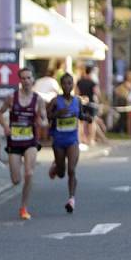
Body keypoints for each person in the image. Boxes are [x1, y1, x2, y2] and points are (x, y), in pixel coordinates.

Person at [0, 68, 47, 220]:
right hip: (15, 141)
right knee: (16, 180)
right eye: (23, 78)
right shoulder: (12, 98)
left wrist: (41, 122)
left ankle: (24, 207)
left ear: (33, 80)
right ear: (20, 81)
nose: (26, 81)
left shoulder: (38, 100)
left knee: (29, 173)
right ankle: (22, 200)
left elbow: (44, 120)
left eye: (28, 78)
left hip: (30, 141)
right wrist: (5, 127)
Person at [47, 74, 89, 213]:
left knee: (71, 170)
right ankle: (56, 167)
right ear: (61, 85)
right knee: (61, 173)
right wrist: (57, 113)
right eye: (64, 83)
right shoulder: (54, 101)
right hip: (58, 140)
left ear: (73, 85)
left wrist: (87, 118)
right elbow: (47, 117)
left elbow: (81, 115)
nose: (67, 86)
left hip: (72, 140)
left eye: (70, 83)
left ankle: (71, 199)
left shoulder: (77, 101)